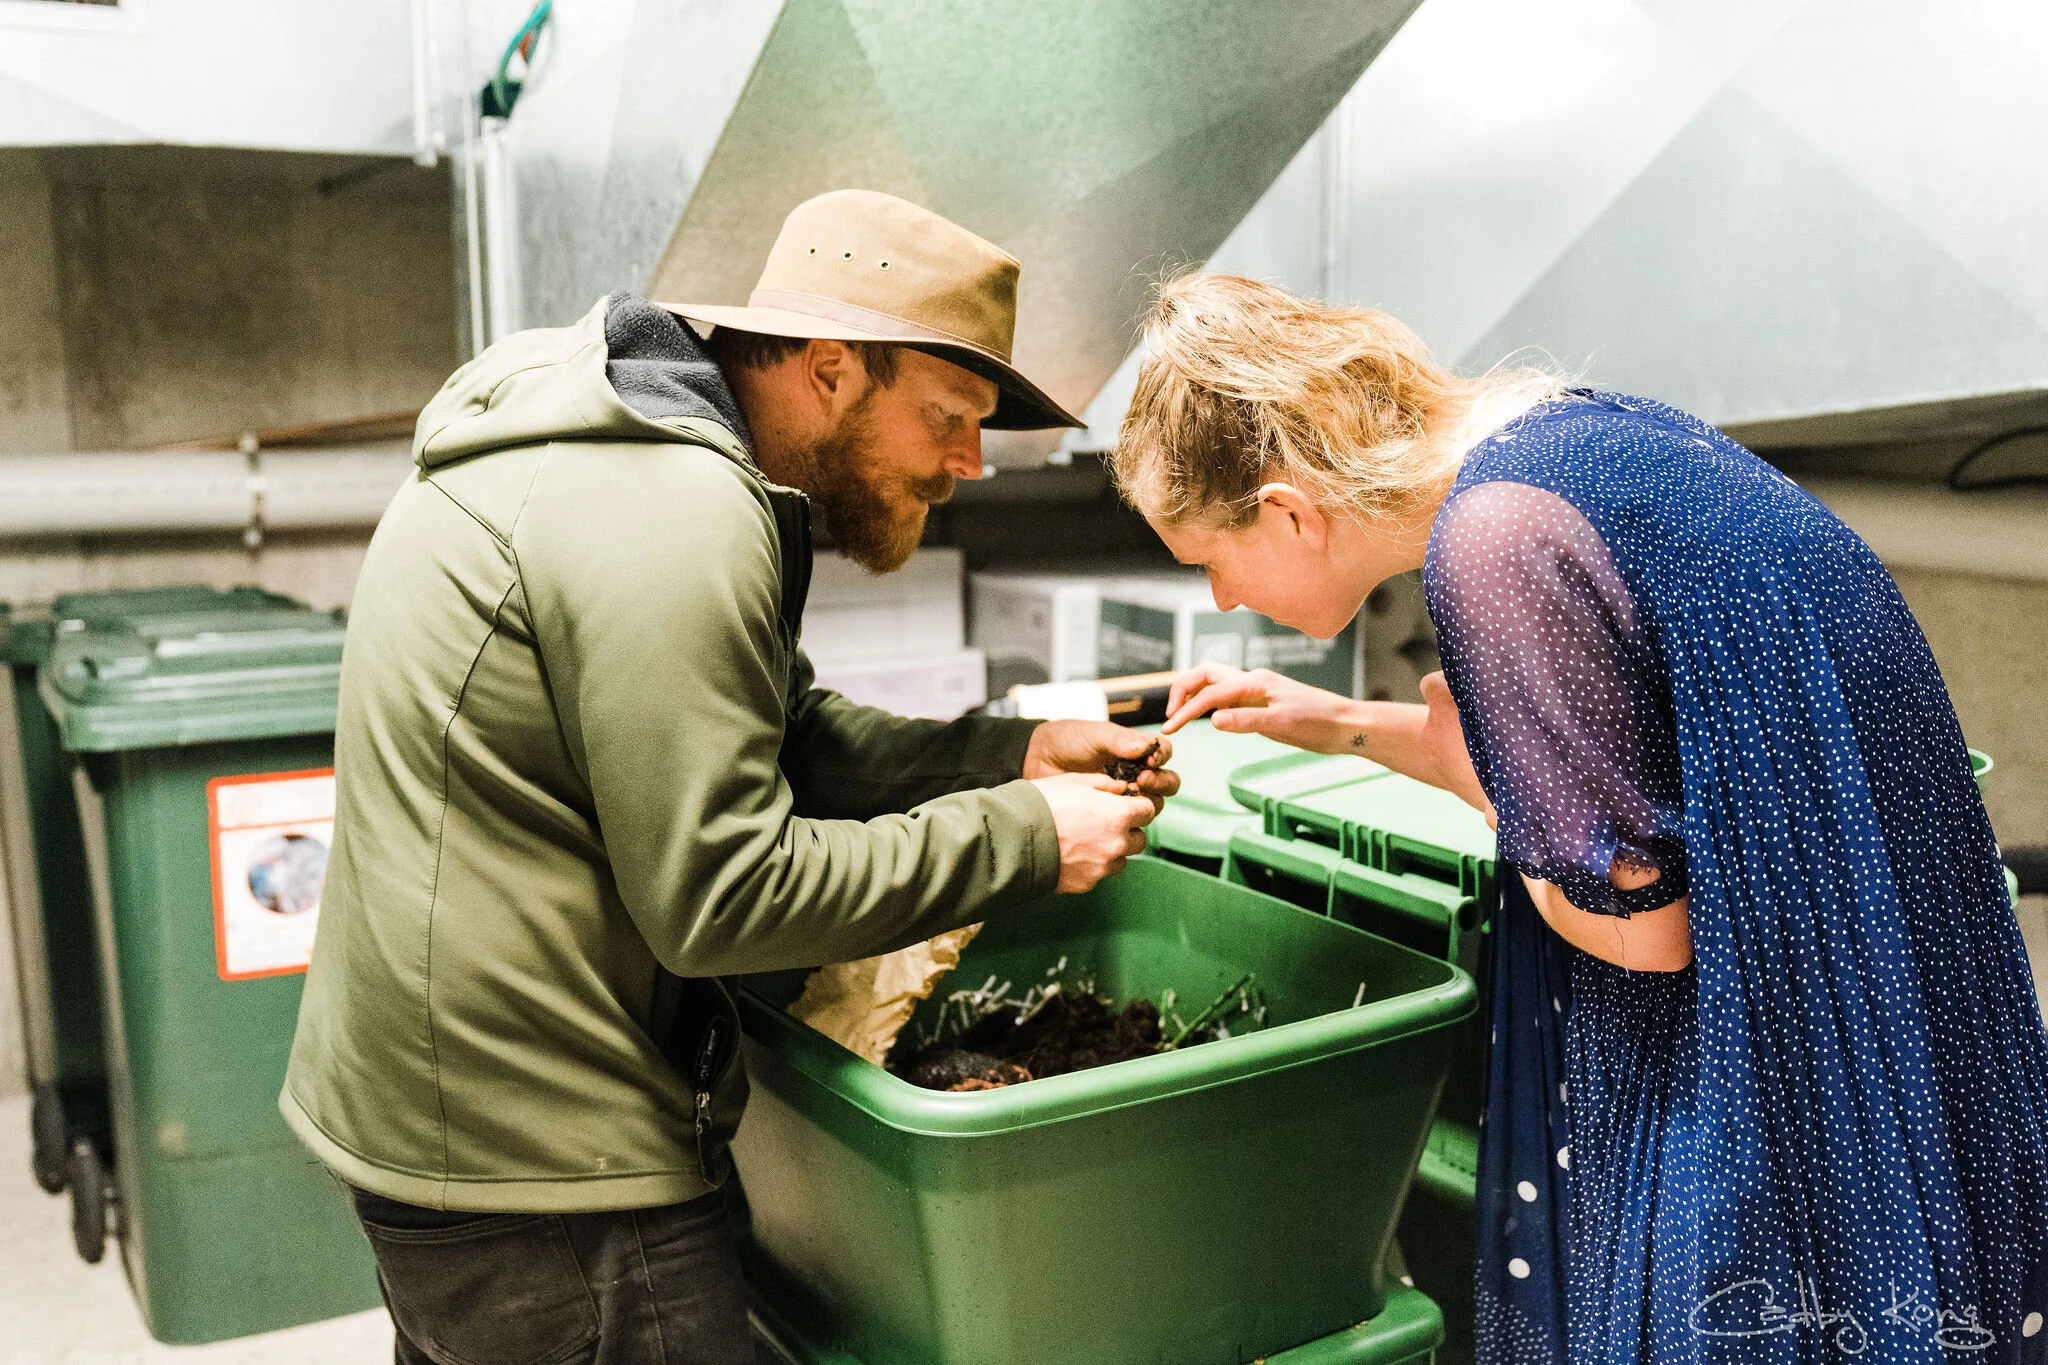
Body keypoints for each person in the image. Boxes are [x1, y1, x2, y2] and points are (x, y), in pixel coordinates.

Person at [281, 190, 1176, 1365]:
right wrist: (1027, 838)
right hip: (546, 1168)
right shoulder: (674, 505)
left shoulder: (613, 447)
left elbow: (784, 735)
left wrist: (1008, 754)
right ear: (829, 369)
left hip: (451, 1125)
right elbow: (723, 897)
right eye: (946, 417)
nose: (967, 463)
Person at [1116, 272, 2048, 1363]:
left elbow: (1645, 931)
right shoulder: (1575, 439)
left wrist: (1479, 786)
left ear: (1287, 511)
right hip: (1887, 1018)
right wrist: (1344, 723)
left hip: (1762, 1081)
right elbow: (1632, 760)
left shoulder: (1495, 541)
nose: (1222, 599)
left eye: (1209, 561)